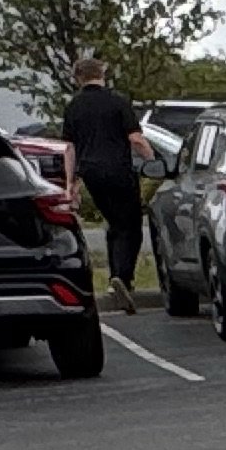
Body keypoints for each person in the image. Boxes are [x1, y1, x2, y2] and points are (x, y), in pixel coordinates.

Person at [61, 55, 147, 314]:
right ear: (102, 74)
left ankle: (114, 280)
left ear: (78, 78)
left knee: (114, 222)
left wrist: (70, 182)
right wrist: (153, 161)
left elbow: (69, 148)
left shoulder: (73, 107)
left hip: (91, 174)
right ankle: (123, 277)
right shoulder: (117, 102)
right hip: (119, 171)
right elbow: (136, 139)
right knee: (130, 225)